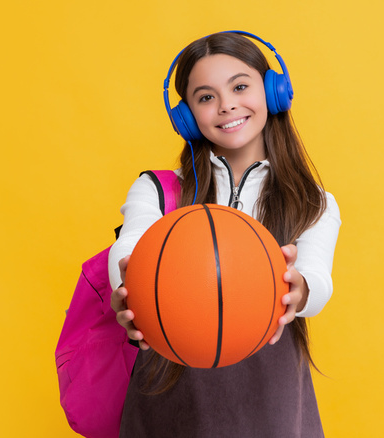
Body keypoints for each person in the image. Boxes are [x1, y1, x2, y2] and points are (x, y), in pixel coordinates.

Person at [108, 31, 341, 437]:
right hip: (170, 382)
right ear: (187, 116)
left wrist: (298, 289)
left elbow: (317, 279)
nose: (227, 104)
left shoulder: (313, 201)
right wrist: (129, 287)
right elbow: (129, 248)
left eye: (239, 86)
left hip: (270, 388)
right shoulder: (159, 189)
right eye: (205, 97)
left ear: (273, 92)